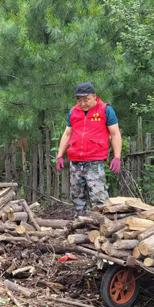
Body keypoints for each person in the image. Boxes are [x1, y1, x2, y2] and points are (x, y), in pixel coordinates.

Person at [55, 82, 122, 216]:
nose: (83, 103)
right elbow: (67, 134)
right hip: (76, 160)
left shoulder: (105, 110)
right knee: (77, 196)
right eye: (79, 100)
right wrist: (60, 156)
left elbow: (115, 134)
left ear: (94, 96)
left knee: (98, 197)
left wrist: (117, 157)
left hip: (94, 160)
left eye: (86, 99)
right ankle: (80, 222)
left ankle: (104, 222)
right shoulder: (73, 112)